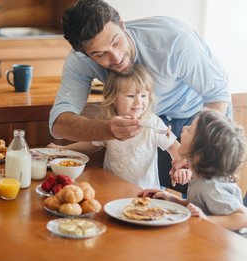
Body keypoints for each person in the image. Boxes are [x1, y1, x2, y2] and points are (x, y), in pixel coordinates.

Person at [49, 0, 231, 192]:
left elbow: (218, 93)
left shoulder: (172, 41)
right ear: (84, 54)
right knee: (162, 195)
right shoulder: (79, 60)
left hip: (201, 116)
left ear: (121, 21)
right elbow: (59, 123)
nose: (117, 57)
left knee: (208, 196)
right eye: (101, 54)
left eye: (116, 42)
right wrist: (107, 129)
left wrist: (195, 144)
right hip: (151, 118)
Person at [48, 64, 190, 189]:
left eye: (144, 95)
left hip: (145, 194)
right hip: (111, 191)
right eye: (130, 96)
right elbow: (92, 144)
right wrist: (64, 150)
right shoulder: (109, 123)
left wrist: (180, 168)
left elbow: (173, 146)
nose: (138, 102)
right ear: (114, 98)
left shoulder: (152, 123)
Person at [139, 110, 247, 232]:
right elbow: (201, 205)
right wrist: (172, 199)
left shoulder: (212, 188)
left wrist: (206, 219)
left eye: (190, 130)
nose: (184, 127)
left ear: (198, 154)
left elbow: (243, 217)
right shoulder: (200, 179)